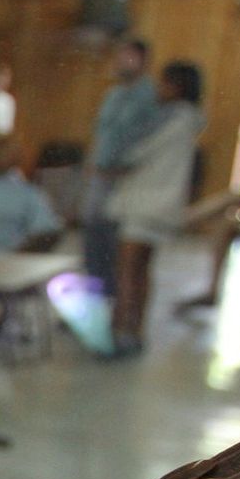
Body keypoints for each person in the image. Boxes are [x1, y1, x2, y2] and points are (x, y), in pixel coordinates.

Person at [105, 60, 205, 357]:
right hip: (163, 205)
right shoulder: (190, 120)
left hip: (145, 203)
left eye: (164, 84)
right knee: (144, 270)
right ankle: (136, 329)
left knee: (127, 270)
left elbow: (135, 153)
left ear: (177, 87)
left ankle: (120, 331)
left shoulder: (170, 120)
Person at [83, 37, 160, 298]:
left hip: (125, 179)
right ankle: (93, 294)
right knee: (93, 237)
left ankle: (113, 297)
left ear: (141, 61)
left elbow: (145, 141)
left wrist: (126, 168)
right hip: (101, 175)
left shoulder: (148, 97)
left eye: (127, 56)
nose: (119, 61)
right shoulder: (113, 94)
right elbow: (103, 134)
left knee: (114, 242)